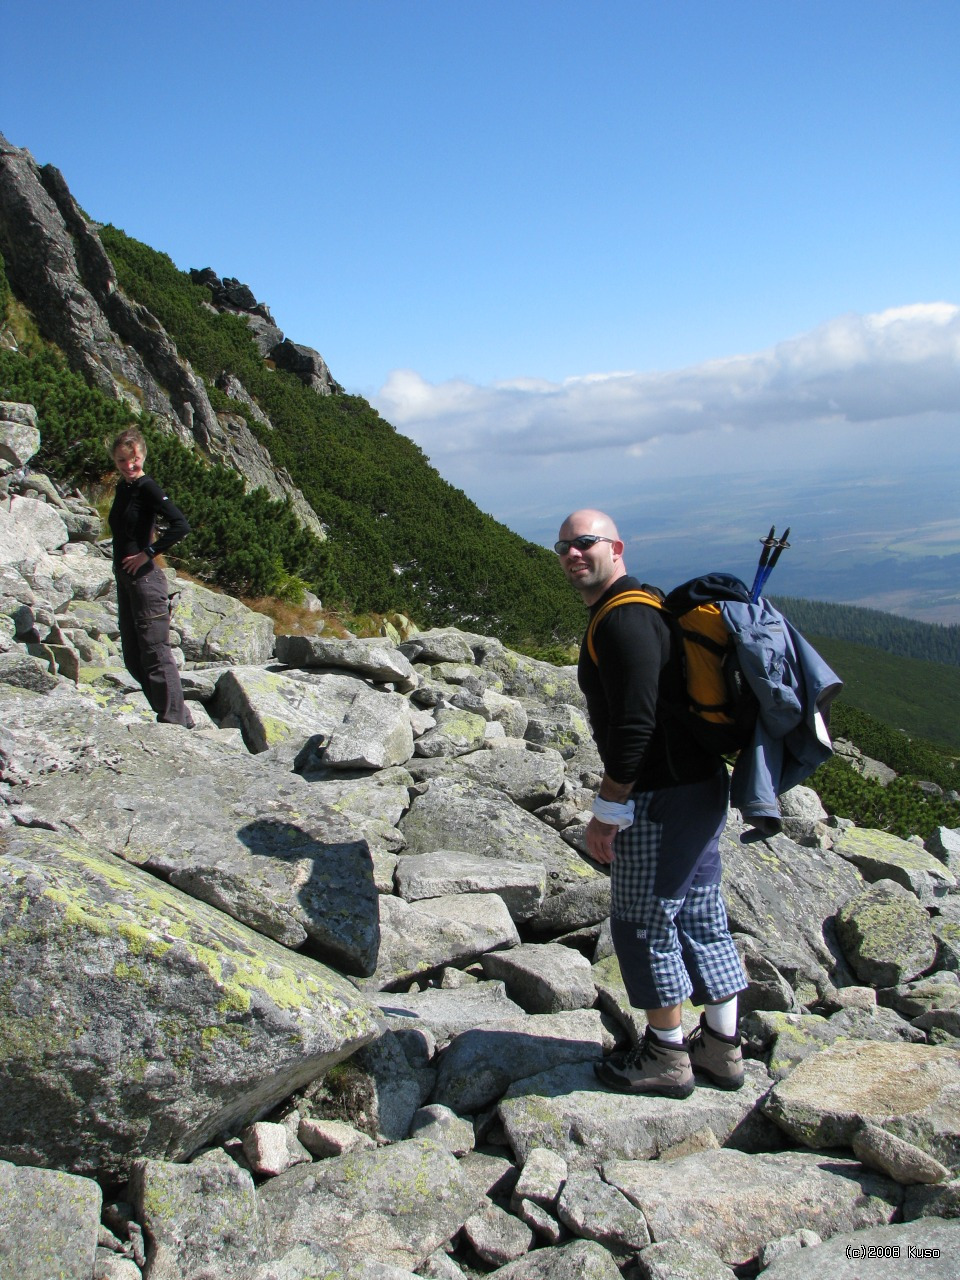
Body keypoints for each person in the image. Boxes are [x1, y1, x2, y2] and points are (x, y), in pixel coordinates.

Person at [556, 508, 746, 1097]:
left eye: (585, 542)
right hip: (697, 787)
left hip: (661, 796)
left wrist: (608, 809)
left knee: (642, 922)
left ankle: (666, 1056)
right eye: (562, 547)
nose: (572, 554)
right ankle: (720, 1048)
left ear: (616, 547)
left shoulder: (624, 621)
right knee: (698, 912)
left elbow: (635, 725)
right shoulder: (643, 605)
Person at [108, 428, 194, 728]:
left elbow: (180, 525)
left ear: (142, 456)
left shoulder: (148, 487)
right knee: (133, 656)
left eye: (134, 459)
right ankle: (174, 714)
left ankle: (175, 722)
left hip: (146, 581)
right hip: (126, 580)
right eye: (122, 460)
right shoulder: (124, 488)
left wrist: (148, 552)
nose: (129, 466)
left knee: (156, 654)